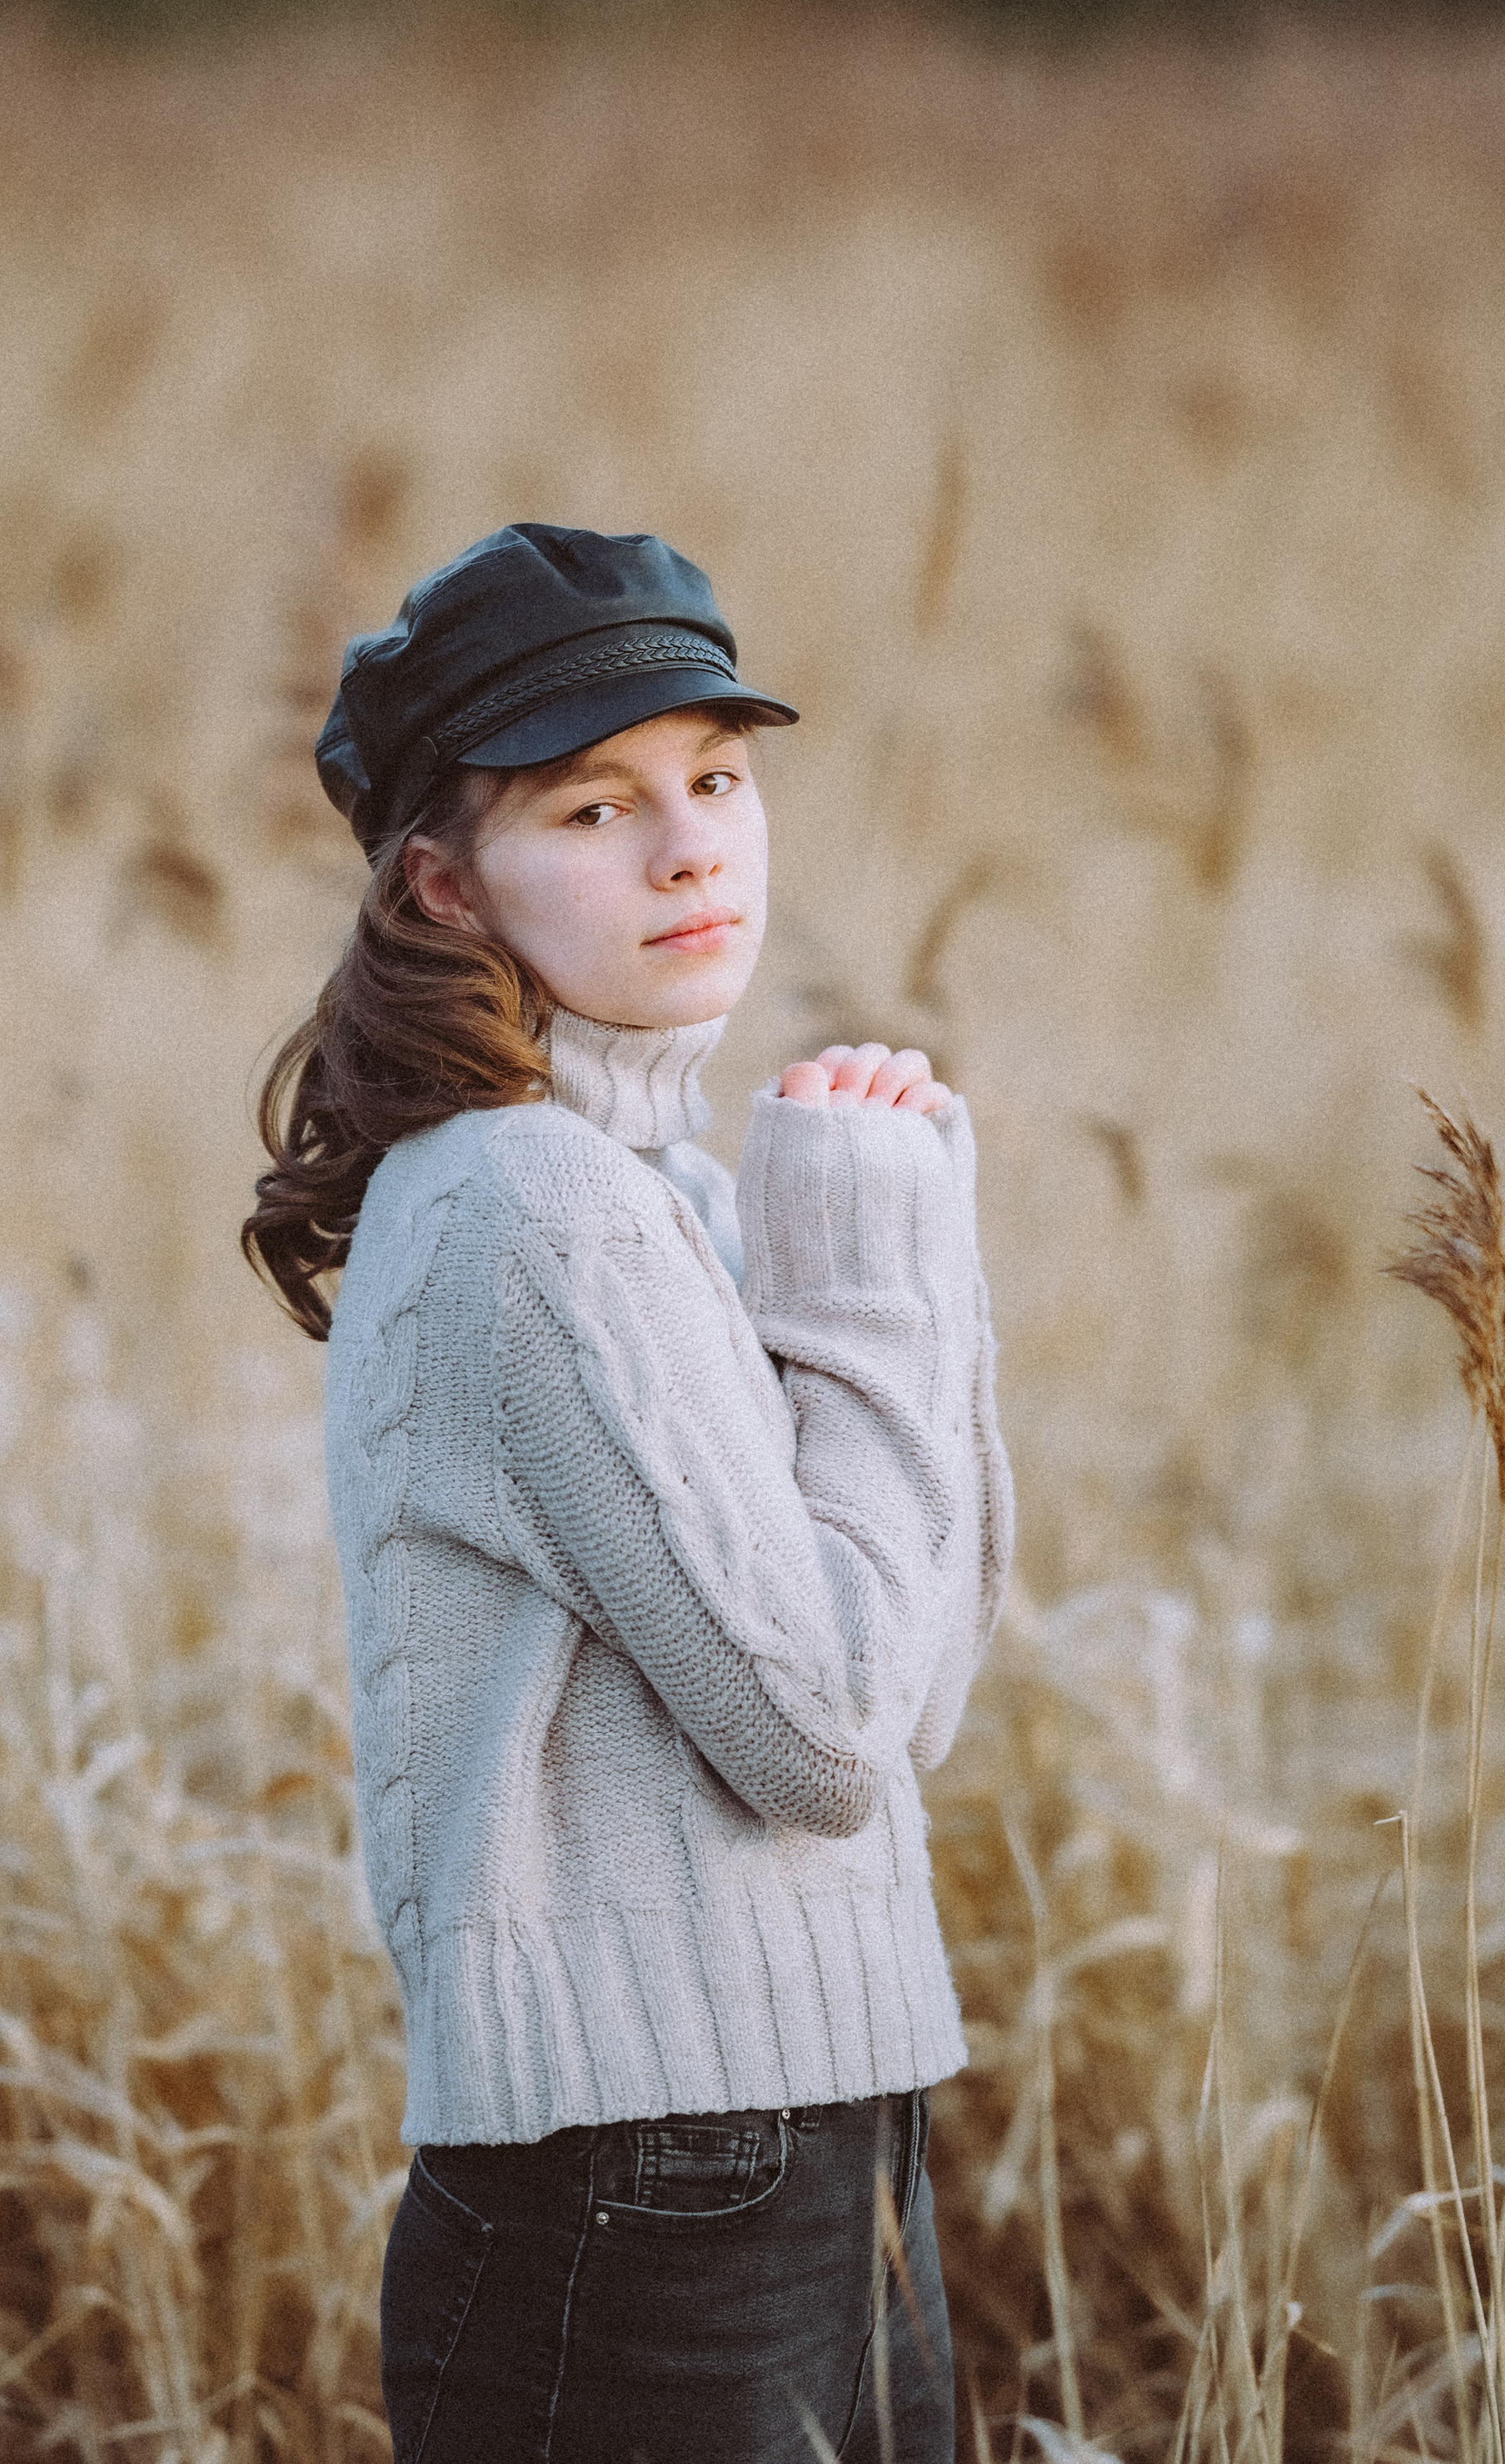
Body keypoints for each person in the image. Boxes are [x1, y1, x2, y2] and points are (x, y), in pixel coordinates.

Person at [244, 523, 1014, 2464]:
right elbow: (829, 1737)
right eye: (593, 806)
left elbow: (913, 1683)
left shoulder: (653, 1193)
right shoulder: (528, 1210)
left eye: (718, 780)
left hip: (805, 2132)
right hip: (651, 2184)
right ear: (441, 880)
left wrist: (903, 1250)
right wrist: (853, 1272)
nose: (688, 848)